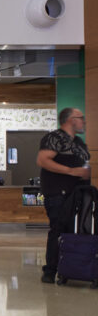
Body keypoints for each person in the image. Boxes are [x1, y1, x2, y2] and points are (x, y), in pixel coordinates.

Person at [37, 108, 91, 284]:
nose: (83, 121)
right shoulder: (55, 138)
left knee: (74, 230)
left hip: (78, 194)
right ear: (70, 120)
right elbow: (43, 160)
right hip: (57, 193)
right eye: (80, 118)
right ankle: (50, 271)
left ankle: (69, 268)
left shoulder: (79, 142)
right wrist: (71, 171)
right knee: (58, 230)